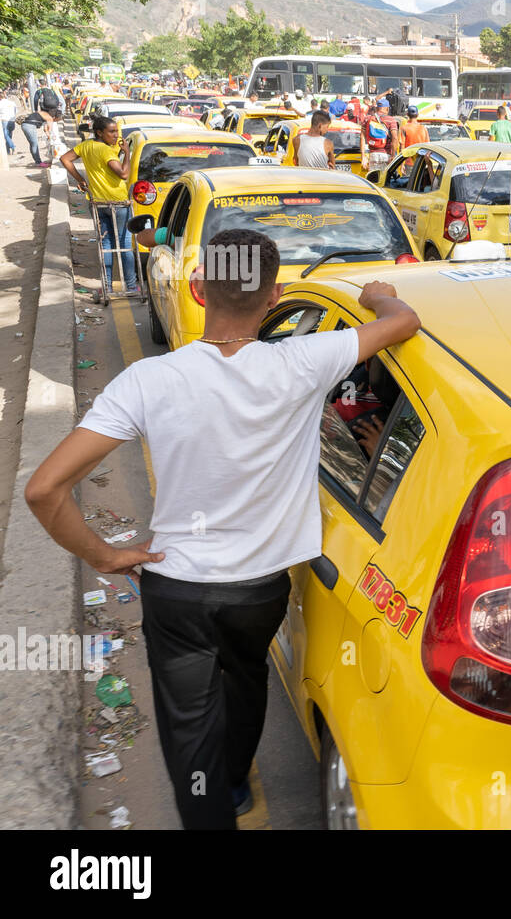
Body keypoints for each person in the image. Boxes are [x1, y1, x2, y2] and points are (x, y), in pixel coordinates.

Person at [24, 231, 423, 829]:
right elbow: (404, 321)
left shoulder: (147, 381)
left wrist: (103, 556)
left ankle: (213, 801)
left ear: (199, 289)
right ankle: (234, 782)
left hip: (176, 591)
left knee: (191, 736)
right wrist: (380, 295)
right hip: (260, 592)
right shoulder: (306, 361)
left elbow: (43, 489)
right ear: (274, 297)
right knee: (244, 681)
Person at [60, 114, 136, 294]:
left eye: (117, 131)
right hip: (118, 202)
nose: (116, 135)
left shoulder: (86, 146)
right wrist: (127, 154)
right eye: (111, 132)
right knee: (124, 244)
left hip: (98, 203)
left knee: (107, 245)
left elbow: (65, 158)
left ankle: (107, 287)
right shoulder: (106, 151)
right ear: (99, 133)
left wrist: (80, 179)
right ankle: (132, 286)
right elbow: (124, 174)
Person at [0, 91, 16, 155]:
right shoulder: (12, 103)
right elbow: (15, 111)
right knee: (9, 136)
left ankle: (12, 146)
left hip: (4, 120)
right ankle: (8, 151)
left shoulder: (0, 103)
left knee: (6, 135)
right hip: (12, 120)